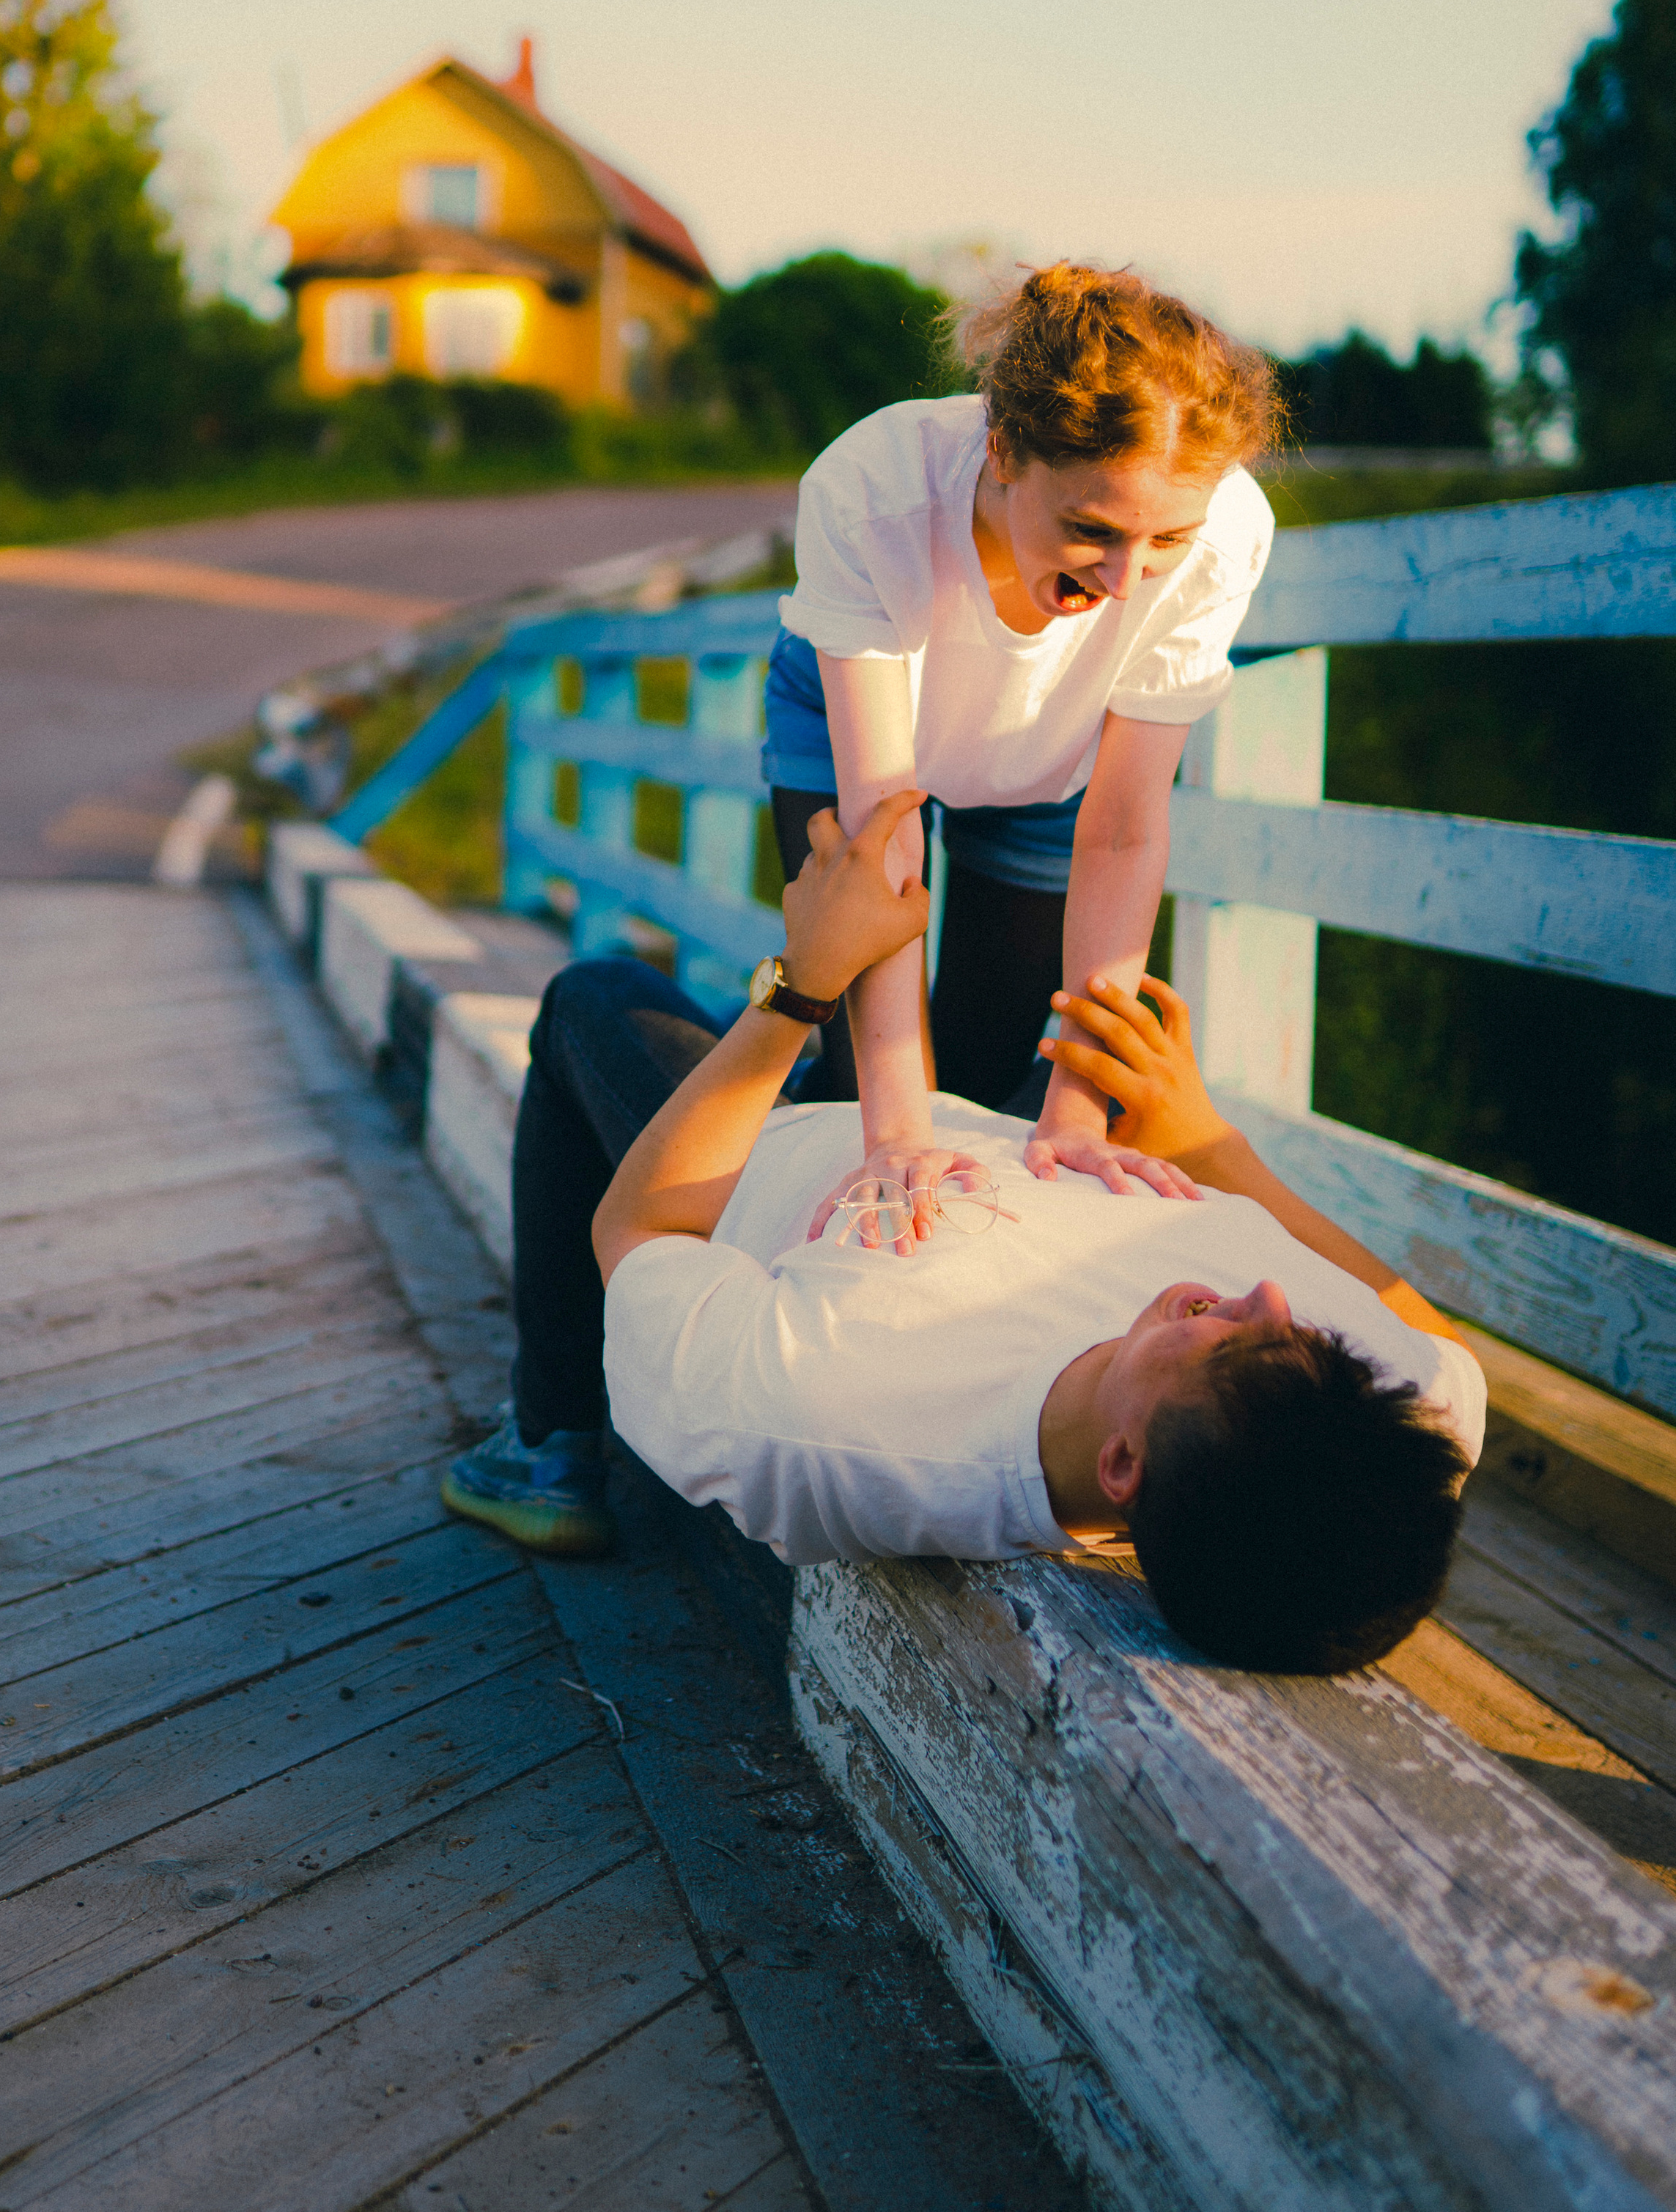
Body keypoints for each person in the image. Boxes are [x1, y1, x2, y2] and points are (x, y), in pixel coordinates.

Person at [442, 797, 1483, 1676]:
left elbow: (639, 1228)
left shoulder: (823, 1411)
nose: (1271, 1299)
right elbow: (1436, 1345)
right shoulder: (1361, 1415)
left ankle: (544, 1447)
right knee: (1029, 838)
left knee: (597, 995)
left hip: (756, 1152)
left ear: (1122, 1467)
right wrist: (1210, 1144)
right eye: (1310, 1337)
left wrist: (801, 987)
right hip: (1023, 1132)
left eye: (1232, 1340)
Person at [763, 259, 1279, 1230]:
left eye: (1167, 541)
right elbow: (884, 835)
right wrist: (895, 1134)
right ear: (1003, 451)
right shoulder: (871, 488)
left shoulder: (1228, 532)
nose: (1127, 580)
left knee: (983, 1067)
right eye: (1092, 529)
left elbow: (1123, 829)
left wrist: (1079, 1112)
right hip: (857, 740)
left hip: (1052, 751)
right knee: (862, 1087)